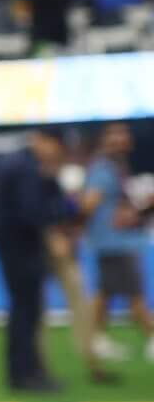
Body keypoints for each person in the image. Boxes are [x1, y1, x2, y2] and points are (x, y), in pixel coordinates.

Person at [0, 128, 78, 393]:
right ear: (42, 140)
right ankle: (25, 375)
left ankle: (27, 371)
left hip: (13, 243)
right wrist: (59, 209)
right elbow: (33, 211)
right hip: (21, 245)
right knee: (27, 310)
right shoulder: (25, 167)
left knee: (26, 309)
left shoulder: (13, 163)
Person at [82, 123, 153, 364]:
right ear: (104, 140)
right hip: (114, 242)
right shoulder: (103, 168)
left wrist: (132, 210)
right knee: (134, 294)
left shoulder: (116, 167)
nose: (120, 139)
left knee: (105, 293)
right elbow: (89, 204)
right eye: (114, 135)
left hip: (115, 241)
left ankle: (97, 341)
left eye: (123, 134)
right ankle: (151, 336)